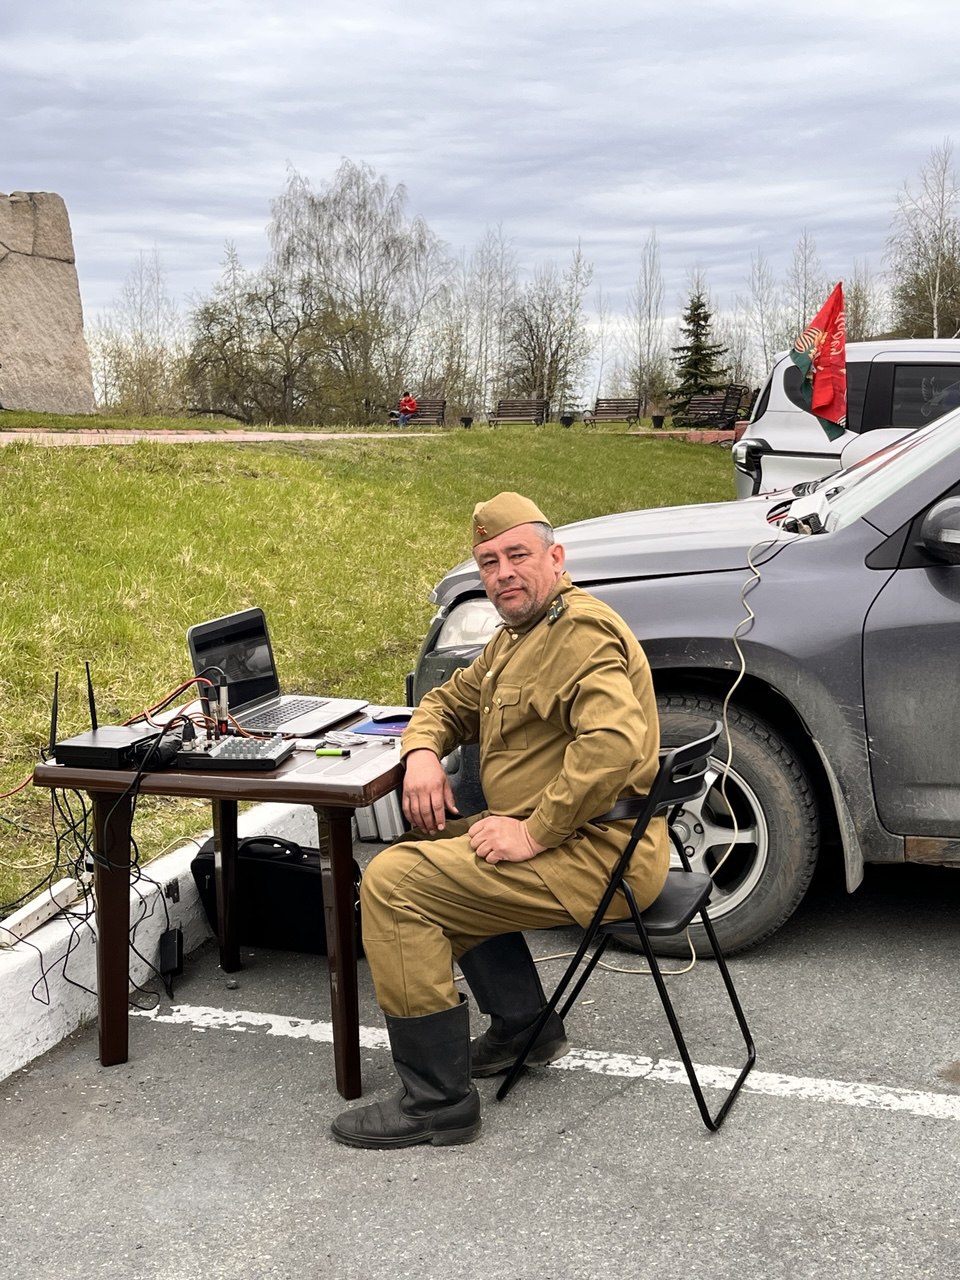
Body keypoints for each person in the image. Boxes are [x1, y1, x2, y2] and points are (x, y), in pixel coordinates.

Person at [331, 491, 667, 1149]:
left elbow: (612, 745)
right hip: (577, 841)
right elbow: (448, 703)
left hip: (599, 852)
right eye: (489, 562)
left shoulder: (579, 634)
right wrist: (421, 752)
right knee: (430, 850)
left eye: (518, 555)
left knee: (396, 885)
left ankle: (438, 1103)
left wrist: (533, 832)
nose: (503, 572)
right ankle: (524, 1029)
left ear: (555, 558)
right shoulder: (517, 636)